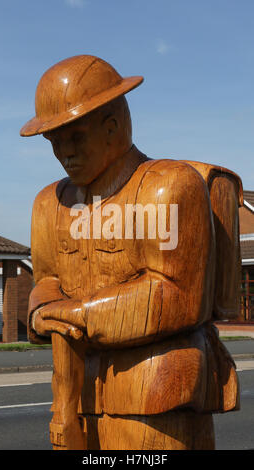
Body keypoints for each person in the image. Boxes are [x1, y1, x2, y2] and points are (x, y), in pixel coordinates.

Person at [20, 55, 241, 450]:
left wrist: (77, 313)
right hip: (76, 402)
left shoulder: (167, 187)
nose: (64, 152)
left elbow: (177, 294)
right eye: (55, 142)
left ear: (113, 127)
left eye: (76, 137)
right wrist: (41, 311)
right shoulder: (47, 205)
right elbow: (46, 281)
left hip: (154, 399)